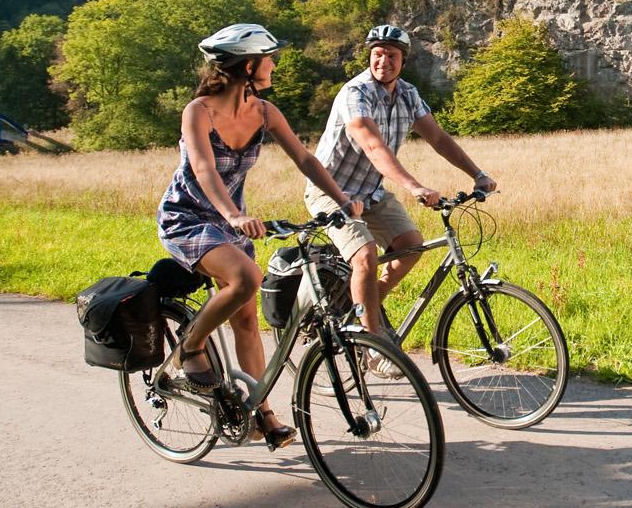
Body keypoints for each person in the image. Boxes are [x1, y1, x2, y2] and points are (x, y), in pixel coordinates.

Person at [157, 23, 361, 449]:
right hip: (190, 218)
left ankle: (261, 414)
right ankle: (191, 348)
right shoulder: (199, 111)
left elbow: (305, 159)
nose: (272, 65)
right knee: (247, 278)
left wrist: (342, 199)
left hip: (231, 222)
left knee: (247, 321)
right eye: (267, 58)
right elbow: (203, 168)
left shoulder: (265, 111)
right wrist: (233, 214)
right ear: (246, 65)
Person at [304, 24, 497, 370]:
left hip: (371, 192)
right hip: (332, 191)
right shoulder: (356, 93)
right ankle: (372, 343)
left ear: (402, 61)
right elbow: (373, 146)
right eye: (377, 54)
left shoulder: (408, 94)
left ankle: (364, 308)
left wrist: (477, 174)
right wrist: (414, 187)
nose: (383, 62)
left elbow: (438, 138)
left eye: (391, 56)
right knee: (364, 256)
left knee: (411, 244)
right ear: (370, 57)